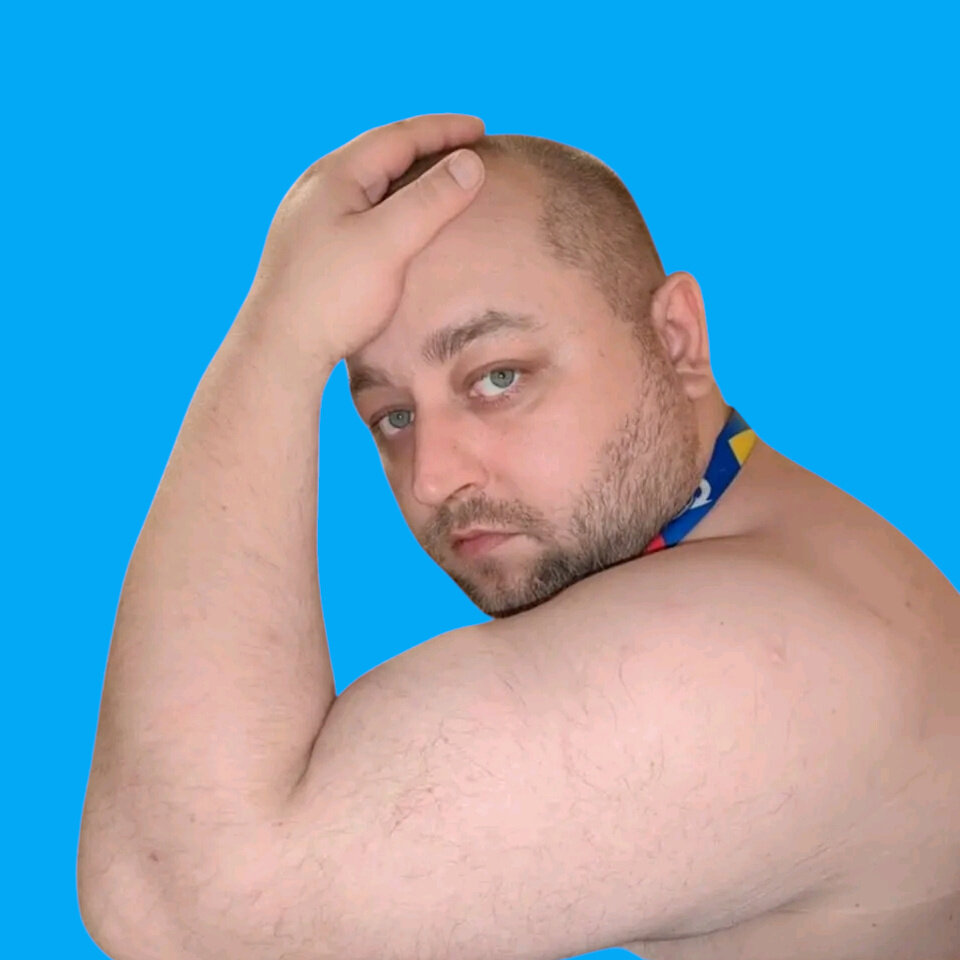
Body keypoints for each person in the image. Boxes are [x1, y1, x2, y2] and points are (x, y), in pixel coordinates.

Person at [78, 115, 960, 960]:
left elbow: (184, 908)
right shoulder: (762, 536)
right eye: (392, 416)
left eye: (497, 377)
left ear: (677, 339)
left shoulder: (756, 655)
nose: (432, 477)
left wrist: (279, 338)